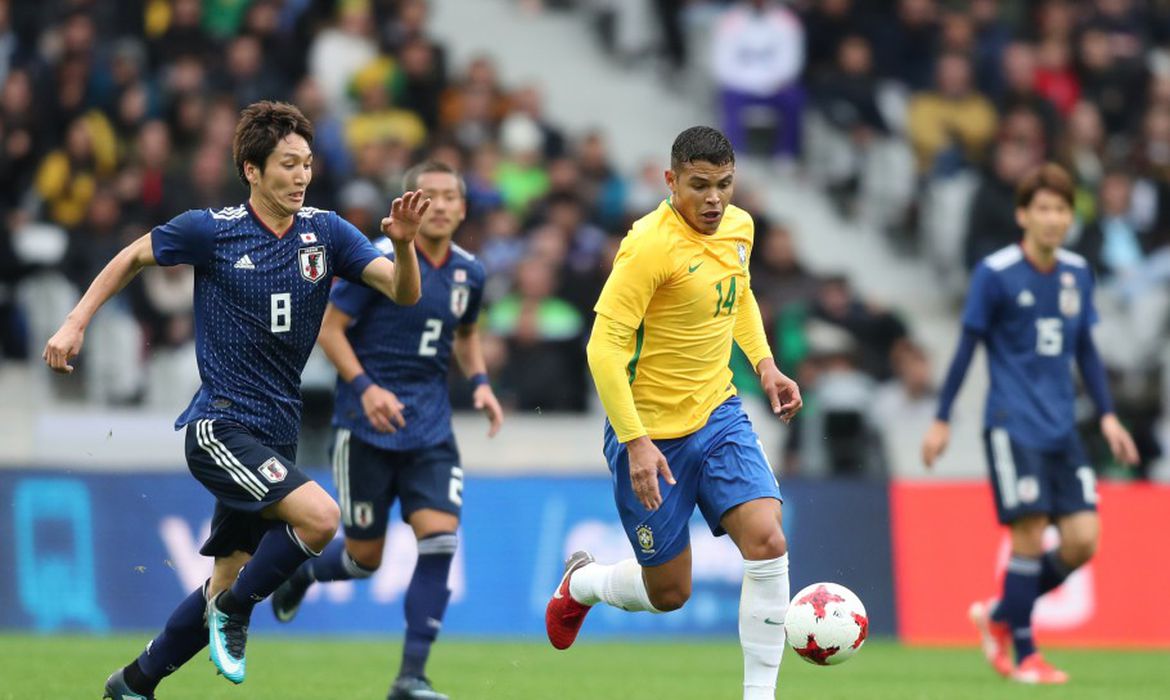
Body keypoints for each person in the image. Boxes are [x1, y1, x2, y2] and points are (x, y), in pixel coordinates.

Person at [42, 100, 427, 699]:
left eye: (307, 164)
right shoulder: (212, 229)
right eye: (287, 164)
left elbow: (402, 293)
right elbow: (132, 256)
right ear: (252, 169)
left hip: (277, 431)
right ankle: (237, 612)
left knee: (227, 578)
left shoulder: (325, 234)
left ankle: (134, 683)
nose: (301, 176)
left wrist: (403, 247)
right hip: (219, 428)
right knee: (322, 518)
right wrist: (75, 323)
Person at [545, 126, 803, 700]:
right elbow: (603, 348)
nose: (714, 200)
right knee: (670, 592)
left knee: (767, 540)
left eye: (725, 185)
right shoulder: (648, 246)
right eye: (700, 185)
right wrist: (636, 442)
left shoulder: (740, 227)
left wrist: (764, 365)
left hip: (719, 414)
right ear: (671, 181)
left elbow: (737, 295)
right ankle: (583, 583)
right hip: (649, 433)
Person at [269, 160, 502, 700]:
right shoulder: (376, 261)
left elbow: (465, 336)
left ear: (463, 208)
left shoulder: (472, 273)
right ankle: (300, 575)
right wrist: (367, 387)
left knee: (440, 539)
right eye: (431, 195)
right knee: (362, 559)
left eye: (451, 196)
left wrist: (482, 382)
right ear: (410, 203)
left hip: (431, 430)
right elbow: (330, 329)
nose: (441, 205)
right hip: (365, 428)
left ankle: (410, 677)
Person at [921, 163, 1139, 685]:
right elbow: (967, 348)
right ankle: (1026, 654)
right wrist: (942, 418)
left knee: (1084, 540)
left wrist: (1108, 414)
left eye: (1061, 209)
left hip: (1062, 427)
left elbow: (1084, 349)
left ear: (1070, 217)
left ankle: (998, 613)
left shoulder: (1077, 273)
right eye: (1042, 208)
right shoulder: (994, 274)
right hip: (1011, 423)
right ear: (1023, 215)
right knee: (1030, 532)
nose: (1052, 218)